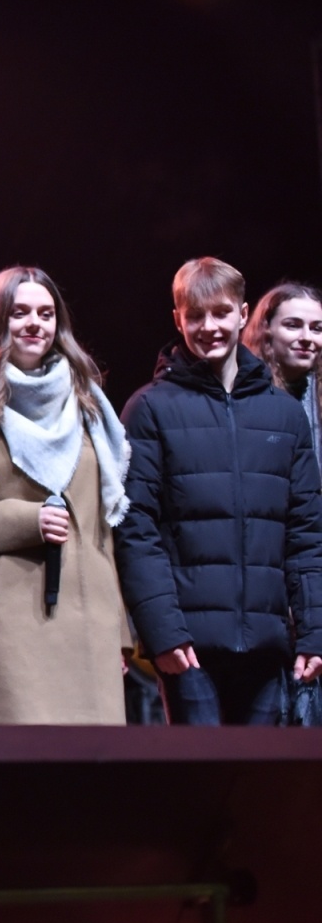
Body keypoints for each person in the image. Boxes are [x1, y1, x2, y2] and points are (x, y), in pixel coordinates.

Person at [115, 258, 322, 725]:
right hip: (188, 651)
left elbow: (306, 532)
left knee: (259, 789)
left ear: (244, 314)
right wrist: (163, 633)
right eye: (196, 315)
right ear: (178, 319)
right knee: (197, 789)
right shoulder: (149, 408)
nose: (209, 327)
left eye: (222, 313)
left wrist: (313, 634)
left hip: (268, 646)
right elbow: (134, 529)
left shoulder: (284, 417)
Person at [0, 267, 132, 724]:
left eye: (46, 313)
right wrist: (24, 520)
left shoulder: (89, 403)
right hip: (14, 615)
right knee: (24, 772)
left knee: (97, 775)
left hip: (92, 620)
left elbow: (103, 525)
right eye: (19, 313)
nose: (35, 323)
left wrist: (120, 630)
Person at [244, 281, 322, 472]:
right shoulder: (246, 393)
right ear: (266, 330)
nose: (306, 337)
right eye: (293, 325)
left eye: (317, 329)